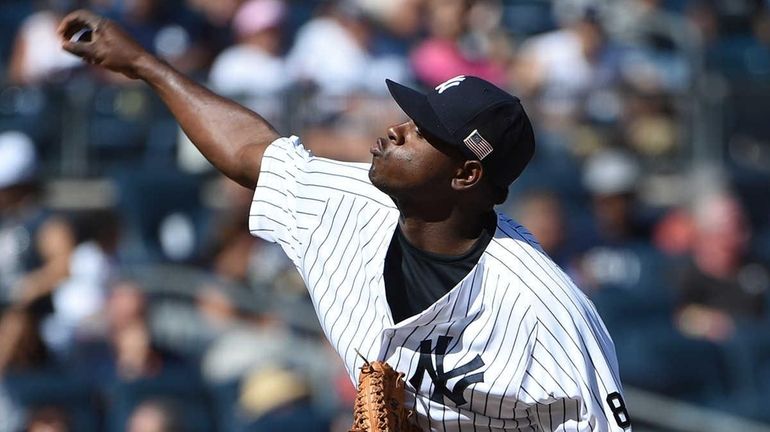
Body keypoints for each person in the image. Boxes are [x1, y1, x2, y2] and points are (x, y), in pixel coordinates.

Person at [58, 10, 629, 431]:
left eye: (422, 132)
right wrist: (145, 65)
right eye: (409, 115)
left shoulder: (541, 307)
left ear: (465, 176)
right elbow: (251, 152)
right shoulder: (346, 200)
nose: (394, 129)